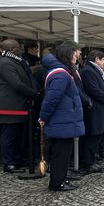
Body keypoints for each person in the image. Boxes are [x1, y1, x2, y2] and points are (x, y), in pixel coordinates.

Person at [39, 43, 85, 191]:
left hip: (63, 119)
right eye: (74, 54)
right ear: (67, 55)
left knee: (63, 152)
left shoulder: (62, 72)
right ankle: (57, 182)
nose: (76, 57)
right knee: (61, 153)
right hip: (62, 120)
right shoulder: (61, 74)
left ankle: (60, 179)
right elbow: (52, 99)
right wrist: (43, 117)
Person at [0, 39, 39, 173]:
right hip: (9, 106)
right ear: (12, 50)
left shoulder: (16, 61)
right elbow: (16, 84)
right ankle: (8, 162)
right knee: (9, 135)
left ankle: (16, 159)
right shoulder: (5, 63)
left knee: (17, 135)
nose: (20, 49)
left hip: (18, 105)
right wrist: (34, 93)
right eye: (18, 47)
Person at [80, 50, 104, 174]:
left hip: (99, 108)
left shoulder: (93, 70)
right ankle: (88, 163)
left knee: (97, 135)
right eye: (102, 60)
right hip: (93, 109)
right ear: (97, 59)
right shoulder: (88, 71)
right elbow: (95, 91)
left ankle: (93, 161)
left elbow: (103, 89)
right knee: (92, 136)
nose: (103, 63)